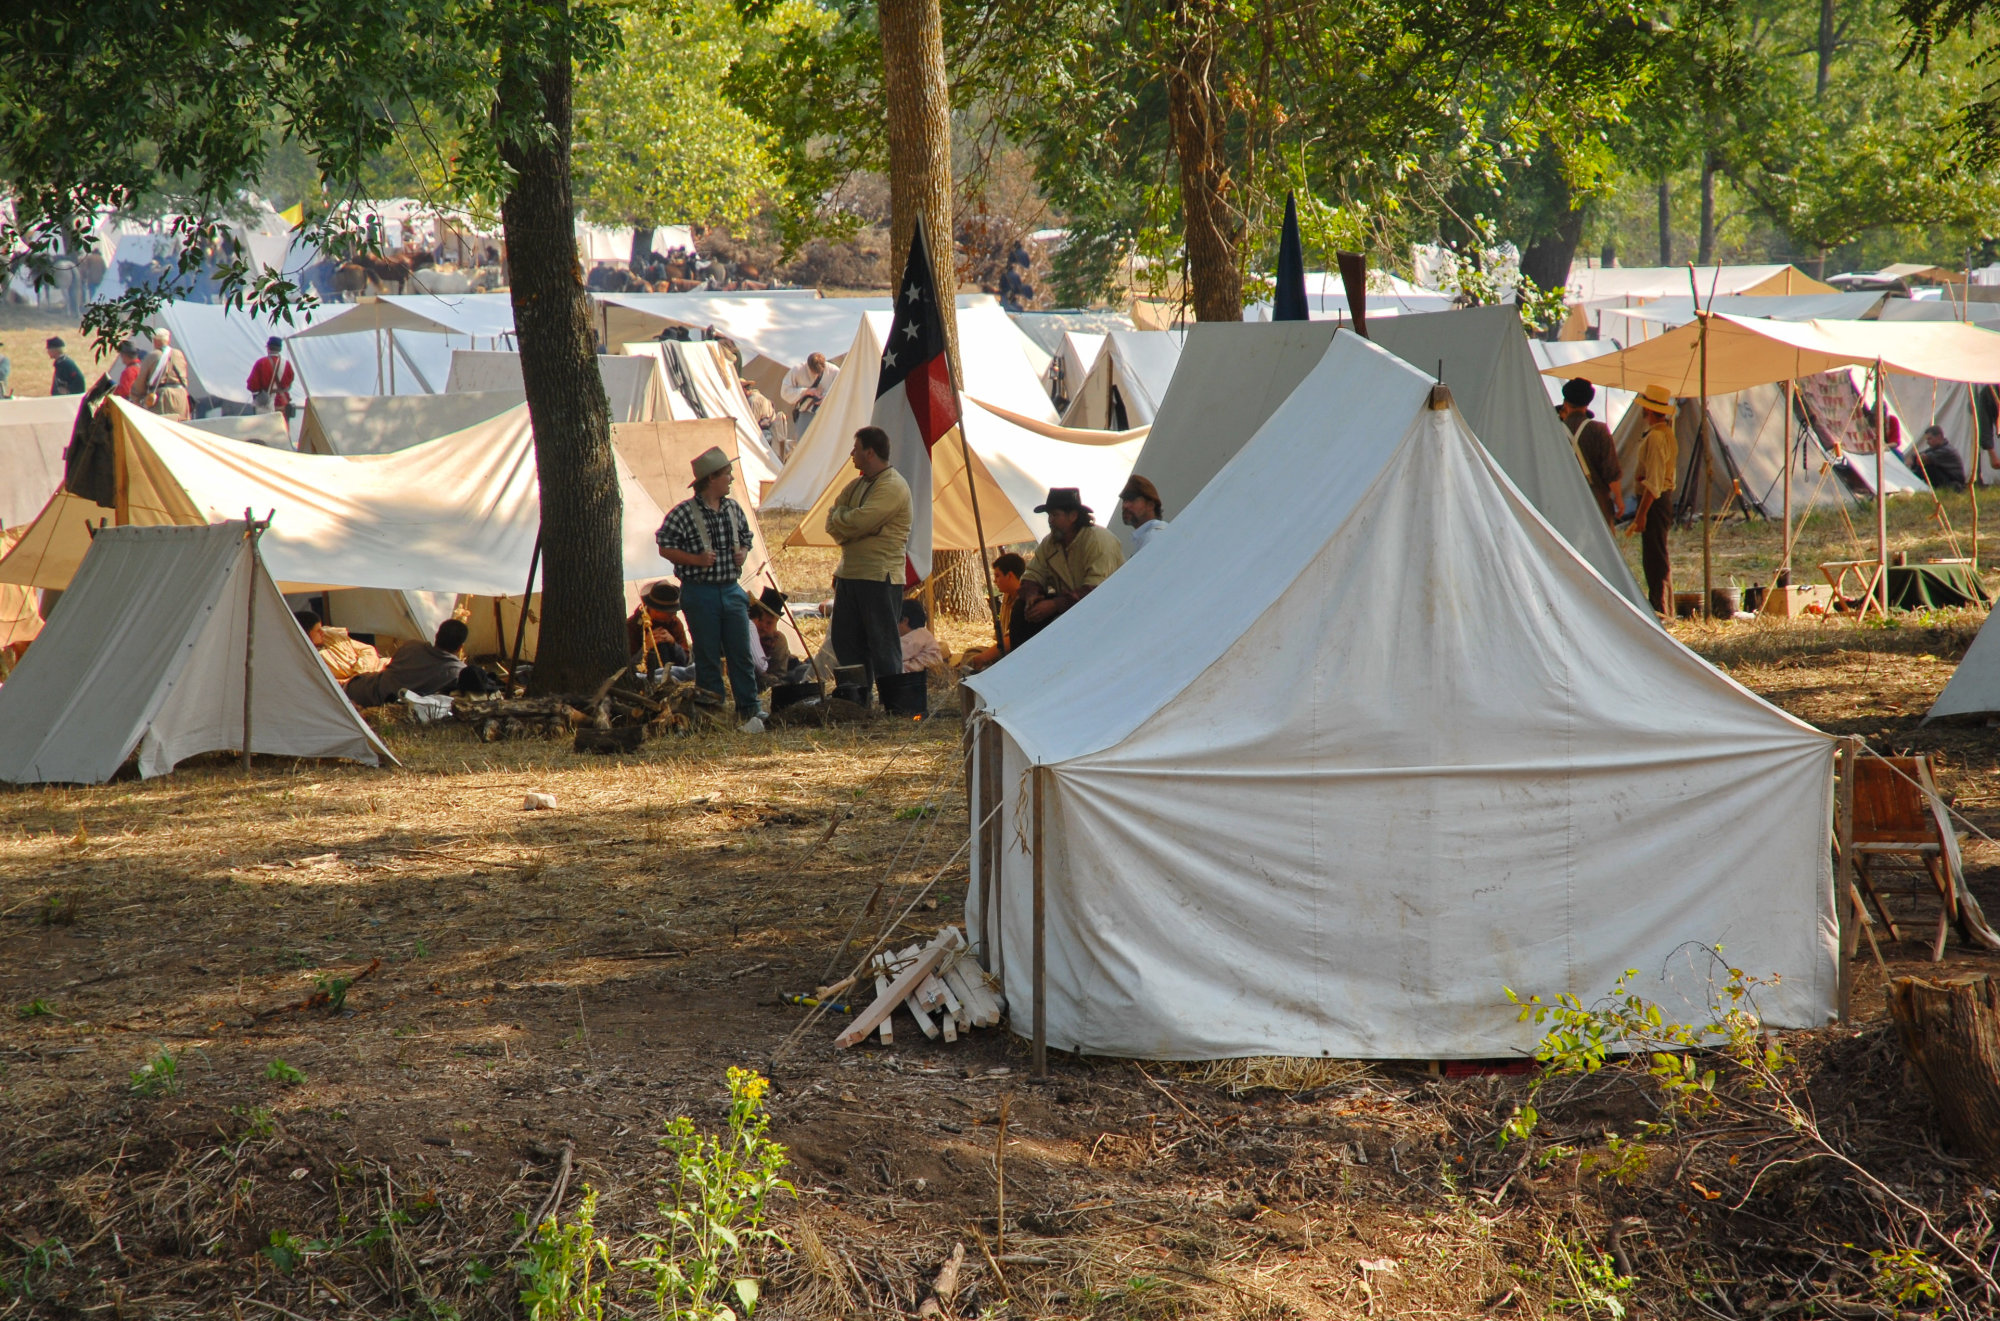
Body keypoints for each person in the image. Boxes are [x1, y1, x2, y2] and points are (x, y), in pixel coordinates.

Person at [656, 445, 764, 731]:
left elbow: (746, 536)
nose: (731, 478)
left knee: (740, 653)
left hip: (730, 589)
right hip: (699, 591)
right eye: (727, 473)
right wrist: (695, 560)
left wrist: (741, 550)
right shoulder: (683, 513)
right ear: (711, 478)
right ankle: (712, 710)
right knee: (706, 656)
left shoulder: (732, 508)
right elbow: (664, 546)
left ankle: (749, 709)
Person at [823, 425, 912, 706]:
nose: (852, 454)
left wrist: (849, 521)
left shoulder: (893, 486)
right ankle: (856, 701)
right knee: (846, 641)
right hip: (849, 574)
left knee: (882, 643)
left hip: (878, 576)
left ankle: (894, 704)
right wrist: (851, 523)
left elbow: (861, 520)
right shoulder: (858, 485)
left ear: (870, 452)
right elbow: (832, 522)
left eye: (856, 448)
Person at [1019, 487, 1124, 637]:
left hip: (1109, 612)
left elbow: (1097, 591)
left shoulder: (1099, 541)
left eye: (1055, 515)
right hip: (1073, 612)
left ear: (1073, 516)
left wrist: (1055, 605)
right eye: (1049, 515)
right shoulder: (1050, 543)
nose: (1050, 520)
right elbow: (1032, 575)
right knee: (1022, 609)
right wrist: (1032, 595)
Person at [1627, 383, 1678, 616]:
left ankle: (1661, 608)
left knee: (1655, 557)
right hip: (1658, 499)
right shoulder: (1665, 433)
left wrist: (1641, 515)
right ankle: (1662, 606)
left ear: (1647, 410)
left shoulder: (1657, 437)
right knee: (1656, 554)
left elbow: (1655, 483)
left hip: (1655, 502)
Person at [343, 619, 475, 707]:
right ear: (460, 647)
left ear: (436, 636)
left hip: (360, 691)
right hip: (382, 703)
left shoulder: (411, 646)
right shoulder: (458, 672)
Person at [1557, 378, 1623, 525]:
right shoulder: (1599, 430)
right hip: (1596, 499)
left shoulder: (1555, 430)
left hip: (1564, 498)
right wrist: (1618, 498)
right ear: (1587, 404)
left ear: (1565, 403)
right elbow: (1611, 471)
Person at [957, 552, 1025, 672]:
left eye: (998, 576)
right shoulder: (1007, 598)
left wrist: (983, 657)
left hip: (1018, 654)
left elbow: (1011, 640)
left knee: (973, 658)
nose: (995, 581)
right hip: (1007, 650)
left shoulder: (1024, 600)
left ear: (1010, 576)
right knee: (971, 653)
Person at [293, 609, 382, 682]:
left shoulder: (332, 636)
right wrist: (353, 681)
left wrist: (360, 672)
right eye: (317, 631)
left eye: (321, 628)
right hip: (352, 686)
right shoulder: (305, 658)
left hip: (372, 671)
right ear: (306, 634)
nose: (322, 632)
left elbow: (367, 650)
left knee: (394, 667)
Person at [626, 580, 691, 673]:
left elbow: (685, 661)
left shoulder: (675, 623)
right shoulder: (632, 626)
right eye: (669, 612)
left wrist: (673, 644)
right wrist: (646, 647)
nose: (674, 614)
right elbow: (629, 665)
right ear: (656, 610)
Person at [751, 587, 810, 687]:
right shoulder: (748, 635)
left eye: (769, 623)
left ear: (776, 624)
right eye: (760, 620)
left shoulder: (777, 639)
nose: (763, 626)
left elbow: (779, 675)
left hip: (787, 670)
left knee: (803, 672)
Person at [137, 328, 192, 419]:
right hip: (180, 395)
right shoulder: (179, 354)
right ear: (168, 340)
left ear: (155, 341)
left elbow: (140, 383)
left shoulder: (152, 356)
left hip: (162, 397)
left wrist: (137, 398)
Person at [781, 351, 838, 428]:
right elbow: (785, 392)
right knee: (804, 439)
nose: (816, 374)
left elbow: (843, 390)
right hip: (806, 413)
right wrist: (806, 391)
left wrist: (827, 398)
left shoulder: (834, 371)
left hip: (828, 413)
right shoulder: (798, 370)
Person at [246, 336, 296, 416]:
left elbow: (252, 386)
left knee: (265, 427)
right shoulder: (287, 364)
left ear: (268, 348)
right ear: (279, 349)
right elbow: (289, 383)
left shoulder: (261, 363)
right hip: (282, 402)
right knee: (282, 427)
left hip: (265, 403)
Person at [1119, 474, 1169, 551]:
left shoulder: (1155, 536)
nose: (1125, 506)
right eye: (1124, 500)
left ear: (1150, 505)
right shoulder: (1146, 537)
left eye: (1131, 499)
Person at [1911, 424, 1969, 490]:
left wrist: (1916, 459)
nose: (1928, 442)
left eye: (1930, 439)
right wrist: (1914, 458)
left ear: (1939, 437)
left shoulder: (1947, 450)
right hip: (1948, 480)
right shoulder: (1937, 448)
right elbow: (1918, 456)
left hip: (1954, 484)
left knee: (1928, 468)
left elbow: (1924, 459)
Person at [899, 598, 943, 673]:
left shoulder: (916, 636)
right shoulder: (923, 634)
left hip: (924, 675)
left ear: (905, 620)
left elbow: (895, 654)